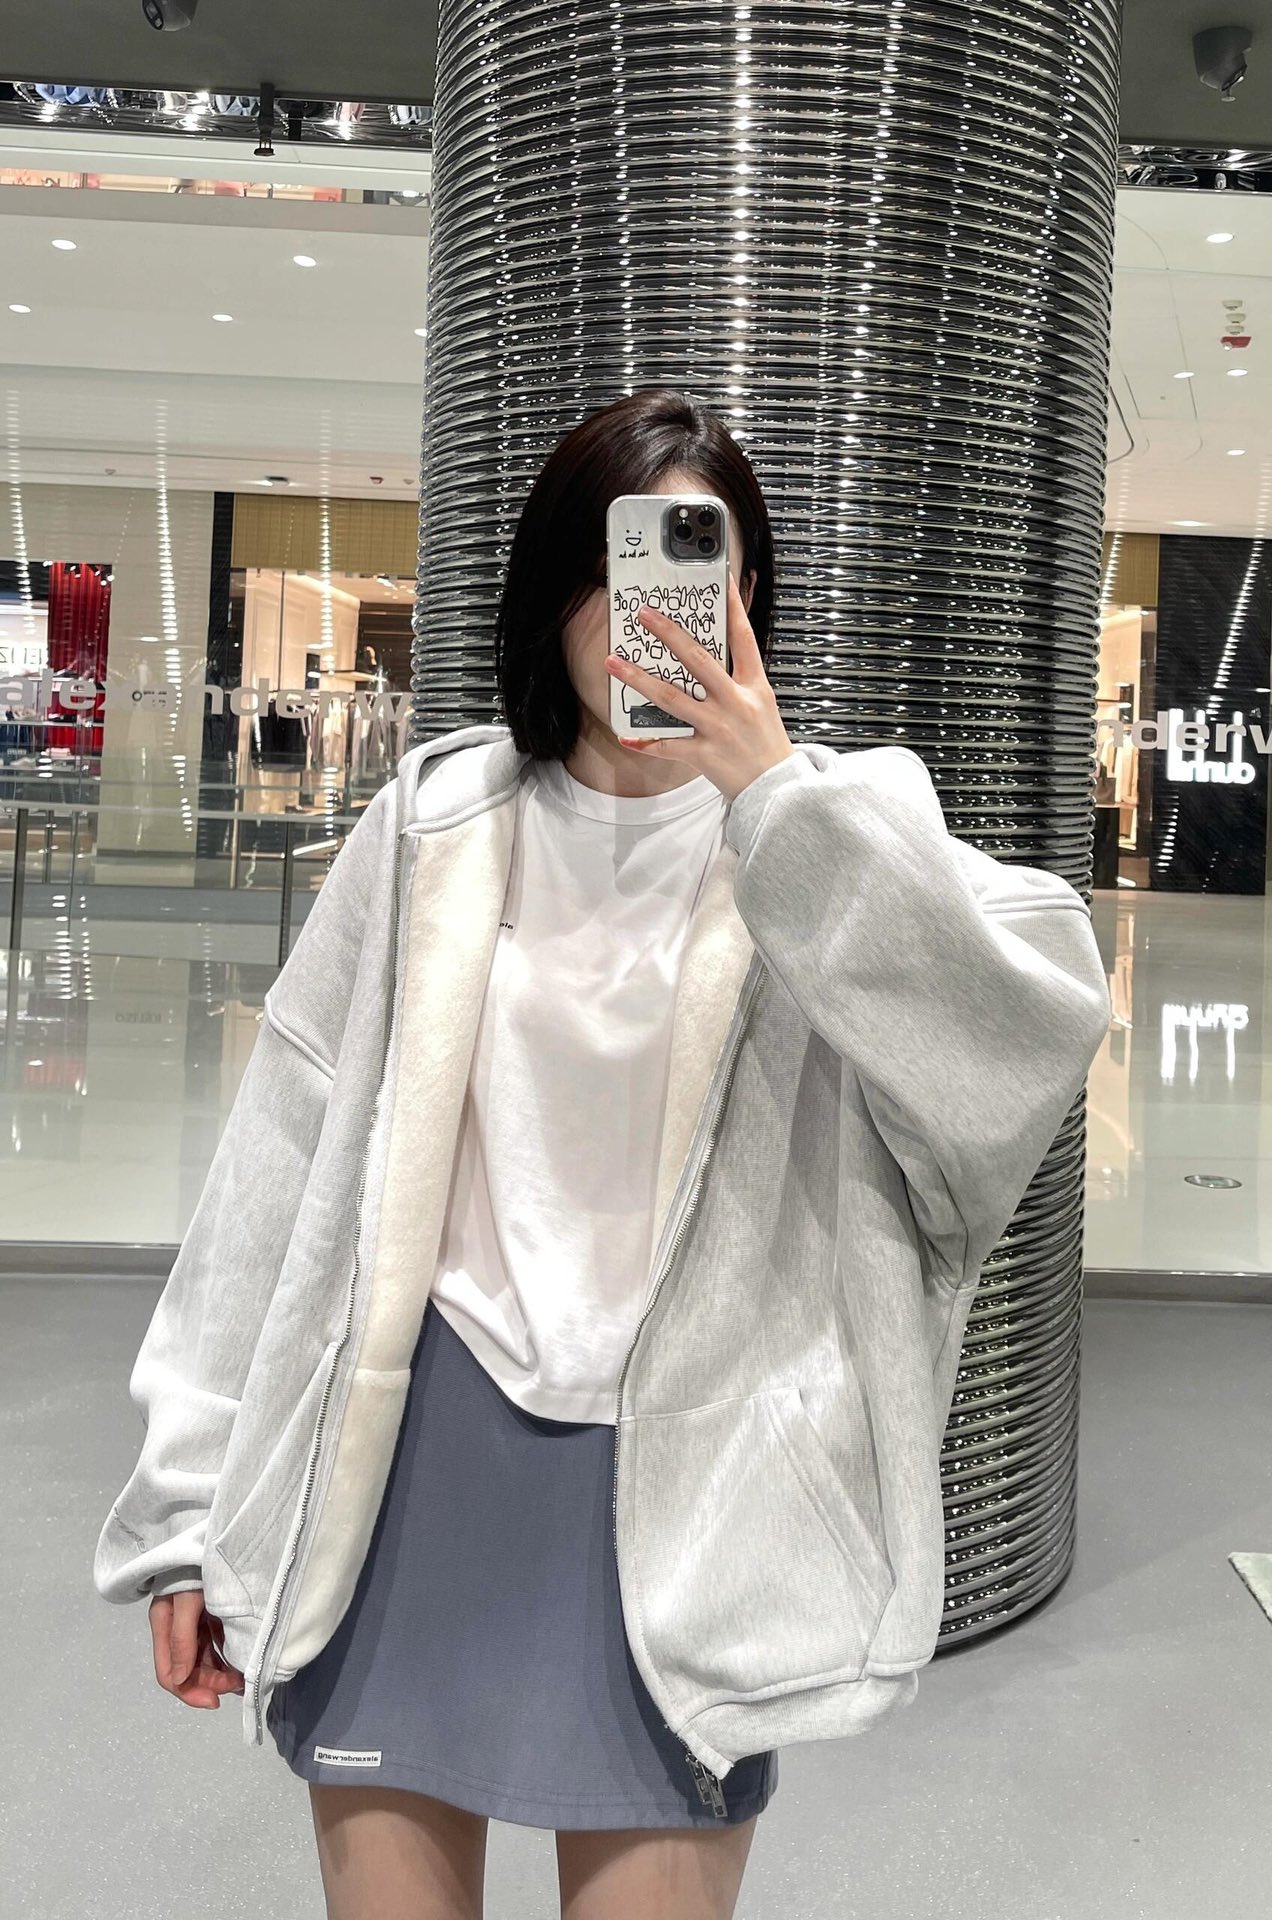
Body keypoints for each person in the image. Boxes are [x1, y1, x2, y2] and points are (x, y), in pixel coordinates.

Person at [94, 387, 1112, 1920]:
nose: (654, 615)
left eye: (704, 569)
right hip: (409, 1468)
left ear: (748, 599)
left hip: (685, 1502)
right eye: (622, 564)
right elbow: (279, 1158)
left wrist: (776, 801)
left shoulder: (832, 829)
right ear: (555, 588)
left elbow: (1015, 1047)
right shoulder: (436, 823)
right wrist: (185, 1510)